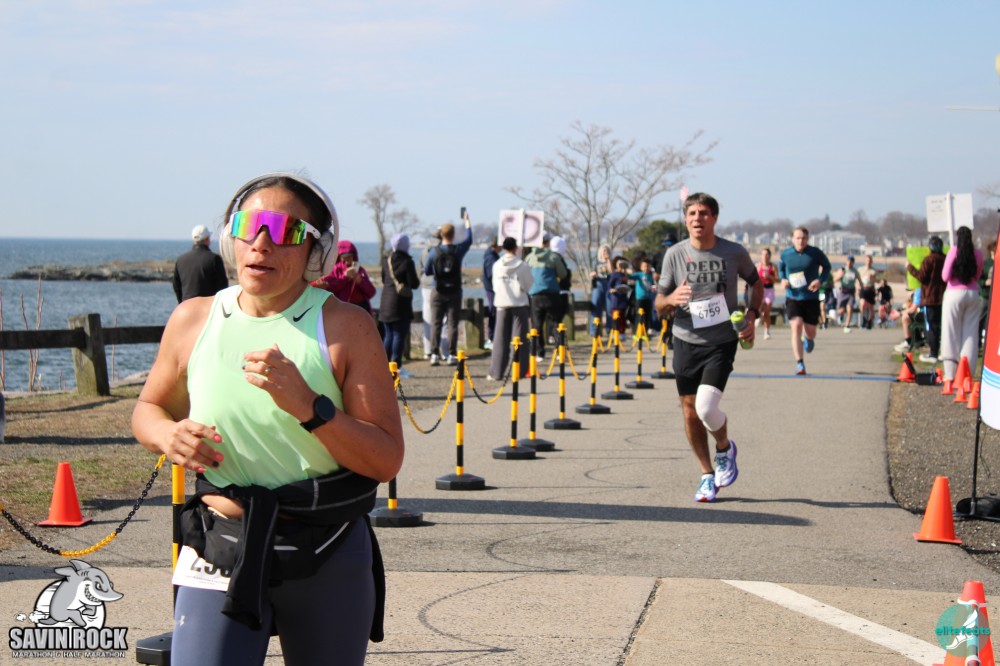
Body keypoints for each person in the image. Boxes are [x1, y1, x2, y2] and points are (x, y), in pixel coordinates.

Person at [131, 172, 404, 665]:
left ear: (316, 251)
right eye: (247, 226)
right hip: (220, 542)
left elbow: (385, 458)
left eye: (284, 231)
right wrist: (168, 434)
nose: (261, 244)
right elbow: (147, 409)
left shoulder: (345, 326)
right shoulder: (194, 319)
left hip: (328, 546)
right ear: (229, 238)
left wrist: (310, 408)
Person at [654, 192, 762, 503]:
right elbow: (659, 303)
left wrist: (751, 315)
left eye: (703, 213)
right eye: (692, 214)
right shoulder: (675, 254)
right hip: (685, 340)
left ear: (714, 218)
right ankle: (706, 474)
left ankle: (725, 448)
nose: (697, 218)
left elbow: (756, 283)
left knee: (705, 407)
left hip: (721, 341)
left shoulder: (733, 252)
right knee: (690, 412)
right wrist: (671, 299)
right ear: (685, 219)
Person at [779, 227, 831, 375]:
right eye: (798, 238)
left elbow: (827, 267)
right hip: (793, 296)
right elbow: (781, 268)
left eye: (803, 238)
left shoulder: (815, 253)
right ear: (792, 239)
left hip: (811, 297)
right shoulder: (786, 254)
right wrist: (783, 279)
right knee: (796, 326)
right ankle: (800, 364)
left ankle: (809, 339)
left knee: (811, 331)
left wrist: (819, 280)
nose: (801, 241)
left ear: (807, 239)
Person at [424, 213, 473, 366]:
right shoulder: (458, 250)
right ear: (453, 235)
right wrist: (467, 221)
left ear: (441, 235)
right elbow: (469, 239)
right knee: (452, 324)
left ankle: (434, 354)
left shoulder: (434, 252)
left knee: (436, 323)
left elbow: (427, 270)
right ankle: (451, 354)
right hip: (455, 291)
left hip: (438, 290)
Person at [941, 226, 984, 381]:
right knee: (970, 334)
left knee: (950, 332)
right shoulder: (978, 254)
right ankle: (967, 374)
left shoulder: (954, 251)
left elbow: (945, 276)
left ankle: (950, 373)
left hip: (953, 294)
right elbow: (977, 276)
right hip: (973, 294)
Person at [488, 237, 534, 380]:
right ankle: (520, 371)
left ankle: (496, 372)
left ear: (503, 248)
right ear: (515, 248)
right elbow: (528, 284)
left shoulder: (497, 265)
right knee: (519, 340)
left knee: (500, 340)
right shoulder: (522, 265)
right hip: (519, 304)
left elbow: (495, 285)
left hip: (502, 304)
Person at [379, 233, 421, 378]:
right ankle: (397, 366)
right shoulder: (407, 262)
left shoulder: (387, 259)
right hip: (400, 303)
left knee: (388, 335)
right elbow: (414, 283)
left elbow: (383, 278)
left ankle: (384, 366)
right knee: (398, 335)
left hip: (385, 301)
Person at [526, 232, 569, 360]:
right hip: (552, 294)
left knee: (536, 325)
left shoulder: (529, 257)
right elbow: (563, 274)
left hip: (535, 295)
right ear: (548, 243)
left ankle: (539, 352)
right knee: (555, 323)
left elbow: (524, 274)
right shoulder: (553, 257)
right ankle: (559, 350)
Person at [907, 236, 946, 363]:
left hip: (930, 297)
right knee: (942, 326)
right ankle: (943, 351)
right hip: (944, 297)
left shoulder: (928, 260)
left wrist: (910, 267)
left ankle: (933, 353)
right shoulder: (945, 259)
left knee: (932, 326)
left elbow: (921, 277)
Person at [312, 240, 377, 313]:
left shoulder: (360, 270)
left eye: (350, 257)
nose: (347, 260)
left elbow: (371, 292)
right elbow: (329, 289)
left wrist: (361, 282)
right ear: (339, 257)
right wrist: (344, 278)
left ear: (354, 256)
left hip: (361, 308)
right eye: (344, 257)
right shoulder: (334, 270)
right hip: (341, 309)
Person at [173, 224, 229, 303]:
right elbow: (222, 287)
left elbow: (176, 286)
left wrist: (182, 303)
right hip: (208, 306)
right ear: (207, 239)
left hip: (187, 306)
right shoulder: (214, 259)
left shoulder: (180, 260)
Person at [419, 230, 446, 359]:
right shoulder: (443, 249)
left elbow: (422, 267)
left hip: (425, 285)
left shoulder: (425, 250)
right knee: (443, 319)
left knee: (428, 317)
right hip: (439, 286)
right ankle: (444, 350)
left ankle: (427, 350)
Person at [589, 244, 613, 337]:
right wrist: (592, 275)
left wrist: (608, 260)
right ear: (600, 253)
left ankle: (609, 330)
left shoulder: (610, 262)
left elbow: (611, 272)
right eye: (603, 251)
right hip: (598, 285)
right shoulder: (596, 263)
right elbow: (591, 273)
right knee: (595, 307)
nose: (605, 253)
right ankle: (594, 330)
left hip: (608, 285)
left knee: (609, 309)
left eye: (606, 251)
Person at [482, 237, 501, 351]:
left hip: (492, 288)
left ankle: (493, 336)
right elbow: (491, 274)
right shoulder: (491, 257)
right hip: (492, 288)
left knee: (494, 311)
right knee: (493, 311)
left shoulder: (491, 255)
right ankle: (491, 337)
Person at [755, 248, 778, 340]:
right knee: (760, 307)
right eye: (763, 254)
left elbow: (777, 280)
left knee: (767, 311)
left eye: (767, 254)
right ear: (761, 256)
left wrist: (769, 276)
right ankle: (759, 316)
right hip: (760, 289)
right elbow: (752, 278)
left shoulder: (773, 267)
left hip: (769, 290)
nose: (765, 256)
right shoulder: (757, 266)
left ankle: (766, 332)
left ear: (770, 256)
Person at [836, 255, 861, 333]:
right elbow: (835, 279)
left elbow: (859, 280)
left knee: (850, 309)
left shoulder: (855, 271)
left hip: (851, 292)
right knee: (841, 310)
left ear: (853, 263)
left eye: (851, 262)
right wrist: (841, 275)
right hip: (843, 291)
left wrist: (861, 288)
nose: (849, 263)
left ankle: (847, 326)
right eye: (848, 261)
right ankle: (841, 316)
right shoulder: (843, 269)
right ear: (846, 262)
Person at [607, 257, 632, 334]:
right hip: (616, 299)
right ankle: (615, 332)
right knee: (616, 316)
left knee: (623, 316)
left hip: (623, 299)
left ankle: (622, 332)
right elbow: (609, 285)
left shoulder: (625, 275)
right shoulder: (615, 274)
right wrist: (612, 290)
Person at [632, 257, 655, 335]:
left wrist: (654, 288)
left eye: (648, 266)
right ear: (641, 267)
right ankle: (637, 331)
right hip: (640, 299)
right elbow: (630, 276)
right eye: (644, 266)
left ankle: (646, 331)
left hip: (648, 298)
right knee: (639, 315)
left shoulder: (651, 276)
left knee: (648, 315)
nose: (646, 268)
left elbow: (653, 285)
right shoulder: (639, 275)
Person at [857, 254, 878, 329]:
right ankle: (864, 319)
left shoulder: (873, 271)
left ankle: (870, 321)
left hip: (870, 289)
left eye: (870, 261)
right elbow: (858, 280)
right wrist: (858, 289)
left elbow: (875, 281)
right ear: (865, 261)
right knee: (862, 304)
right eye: (867, 260)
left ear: (871, 262)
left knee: (871, 306)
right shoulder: (860, 269)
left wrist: (872, 278)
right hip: (863, 289)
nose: (868, 262)